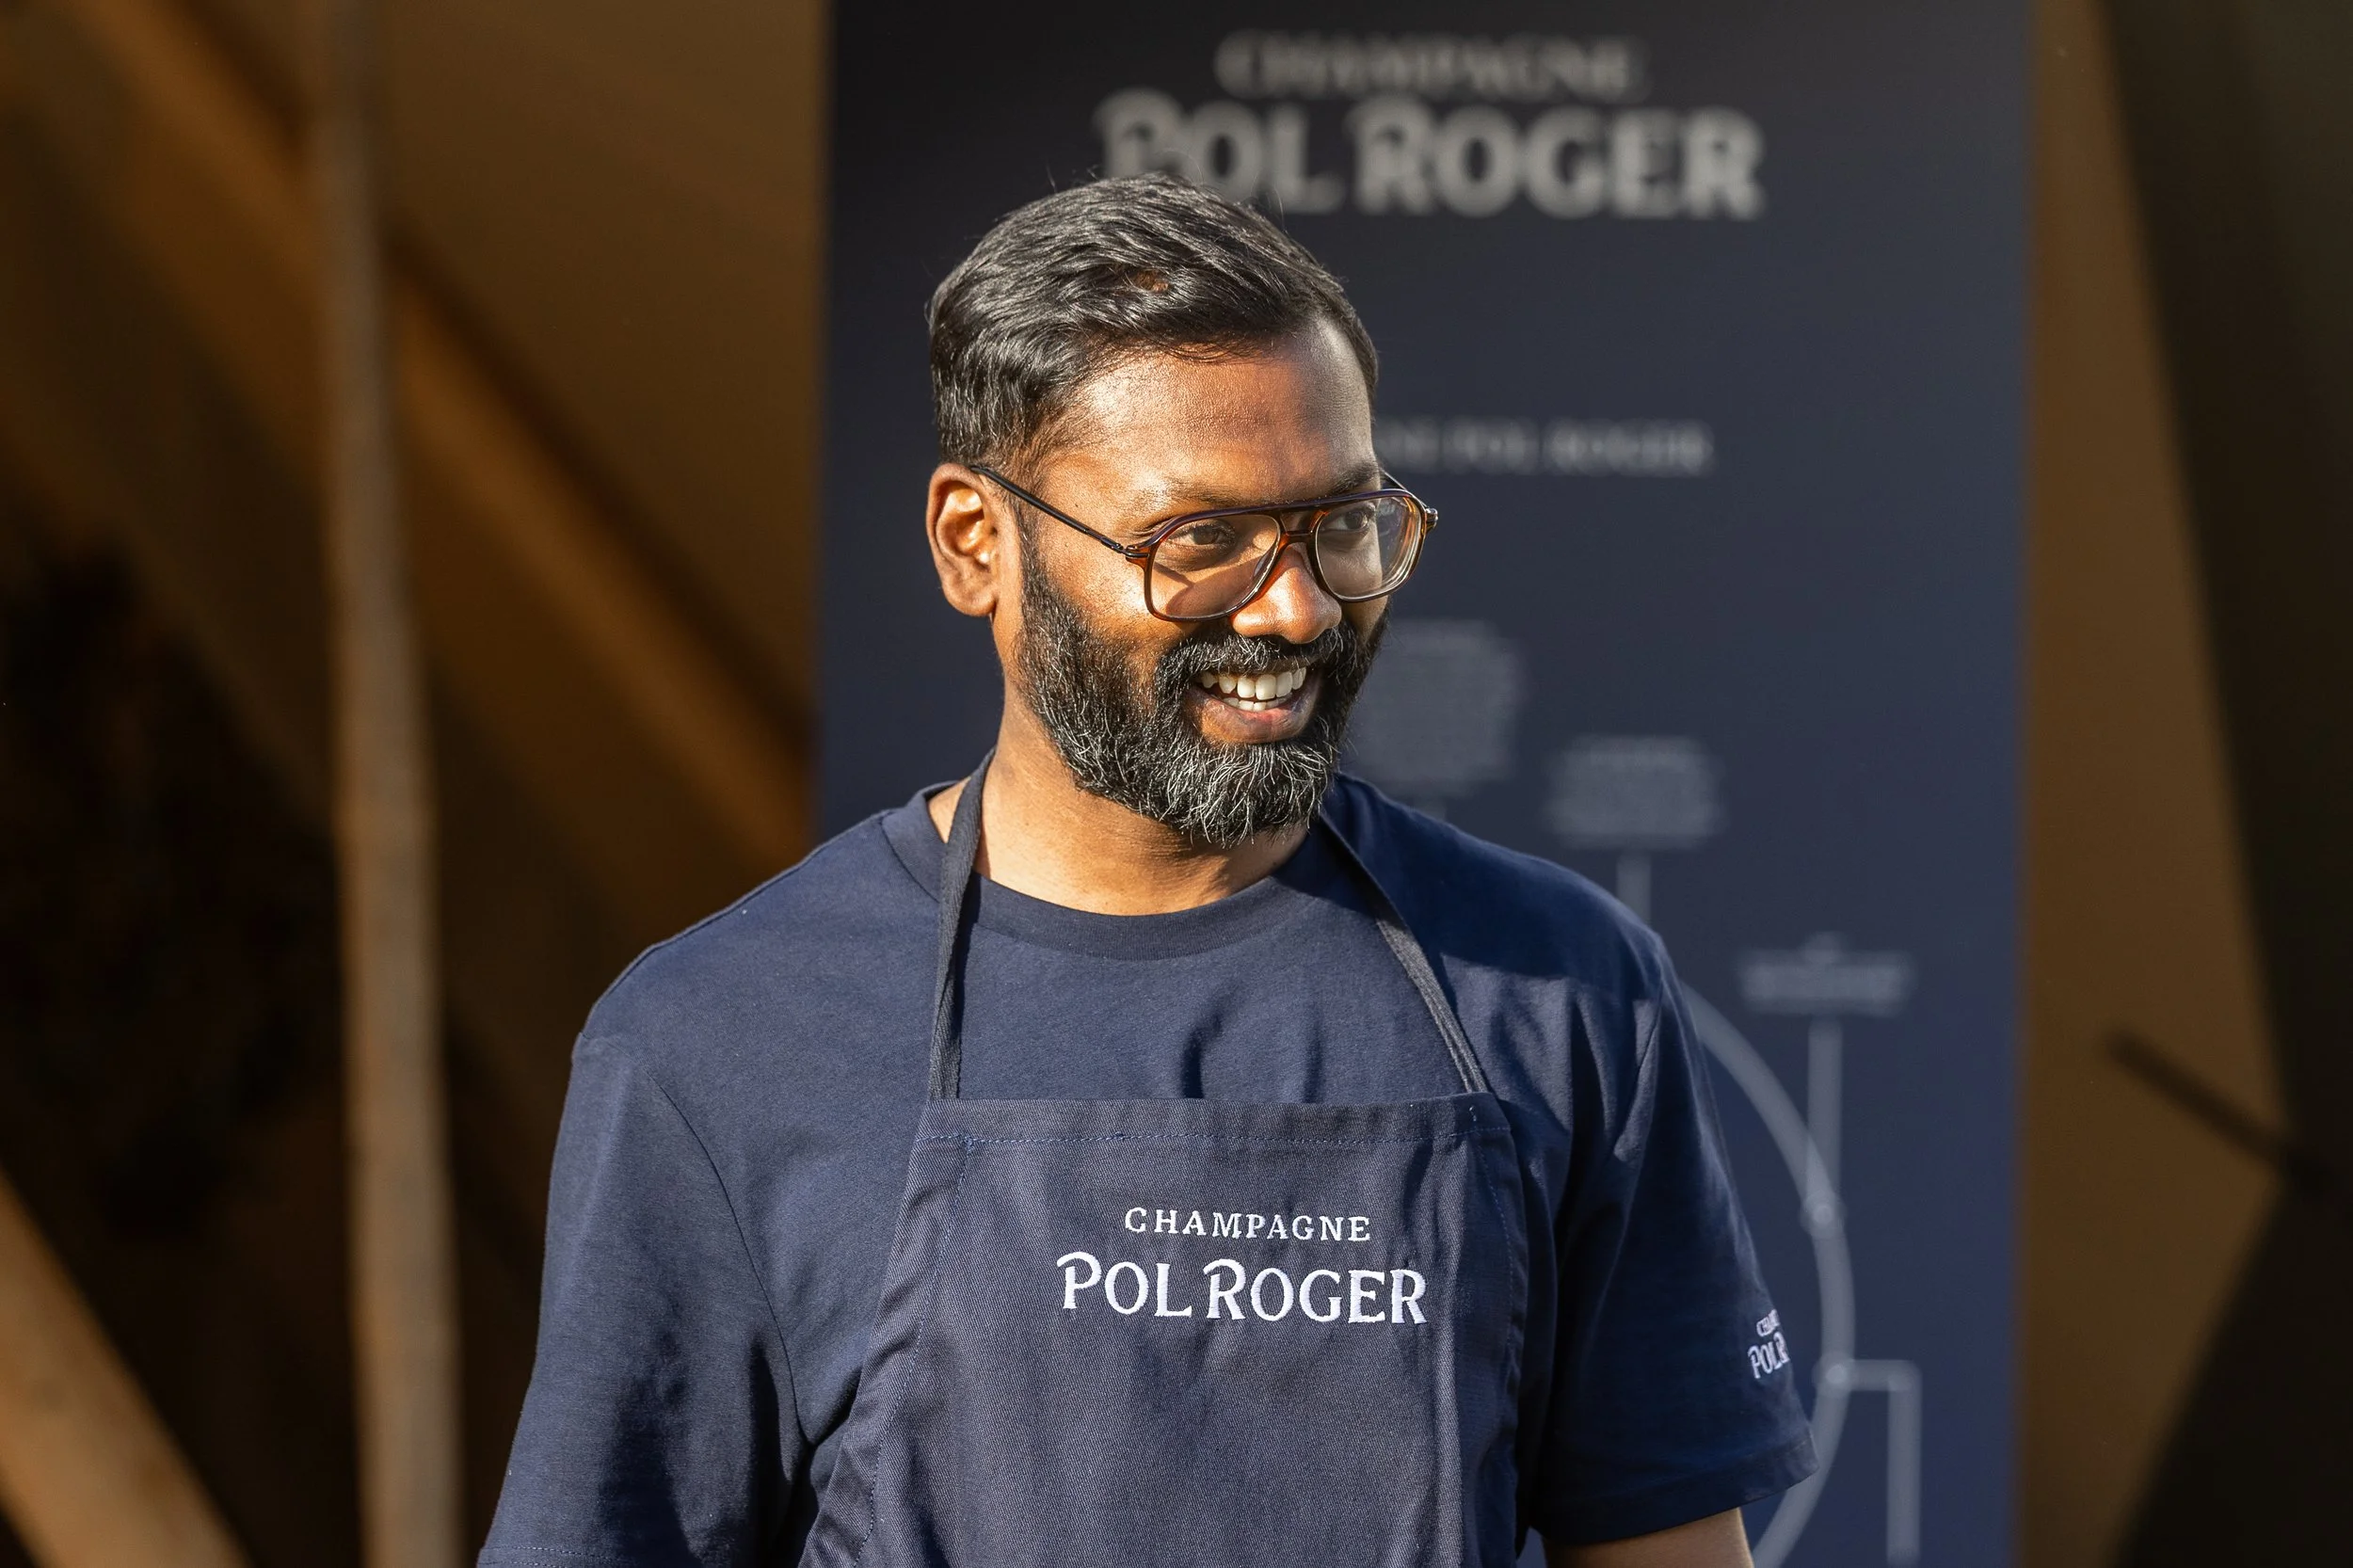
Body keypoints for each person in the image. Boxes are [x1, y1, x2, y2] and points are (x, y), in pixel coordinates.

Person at [480, 173, 1815, 1568]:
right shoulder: (718, 1044)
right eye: (1203, 542)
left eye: (1341, 528)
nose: (1294, 605)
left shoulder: (1558, 992)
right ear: (973, 542)